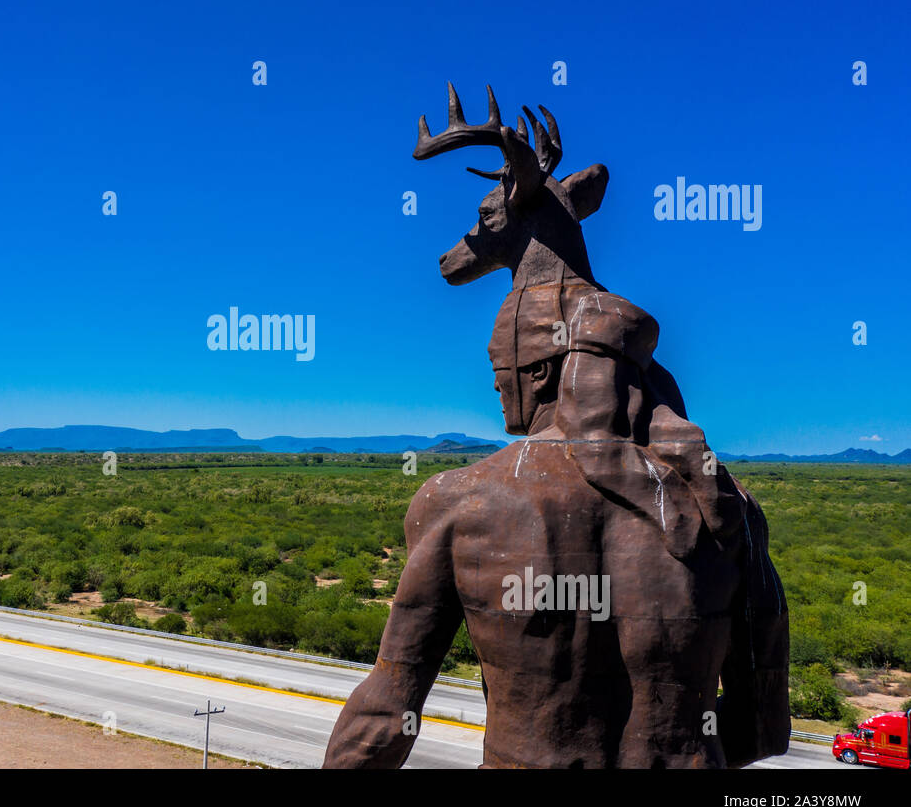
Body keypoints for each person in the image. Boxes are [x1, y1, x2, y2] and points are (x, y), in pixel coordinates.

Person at [322, 285, 789, 768]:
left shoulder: (457, 500)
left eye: (498, 372)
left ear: (540, 372)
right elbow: (763, 728)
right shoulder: (725, 506)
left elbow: (387, 710)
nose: (496, 387)